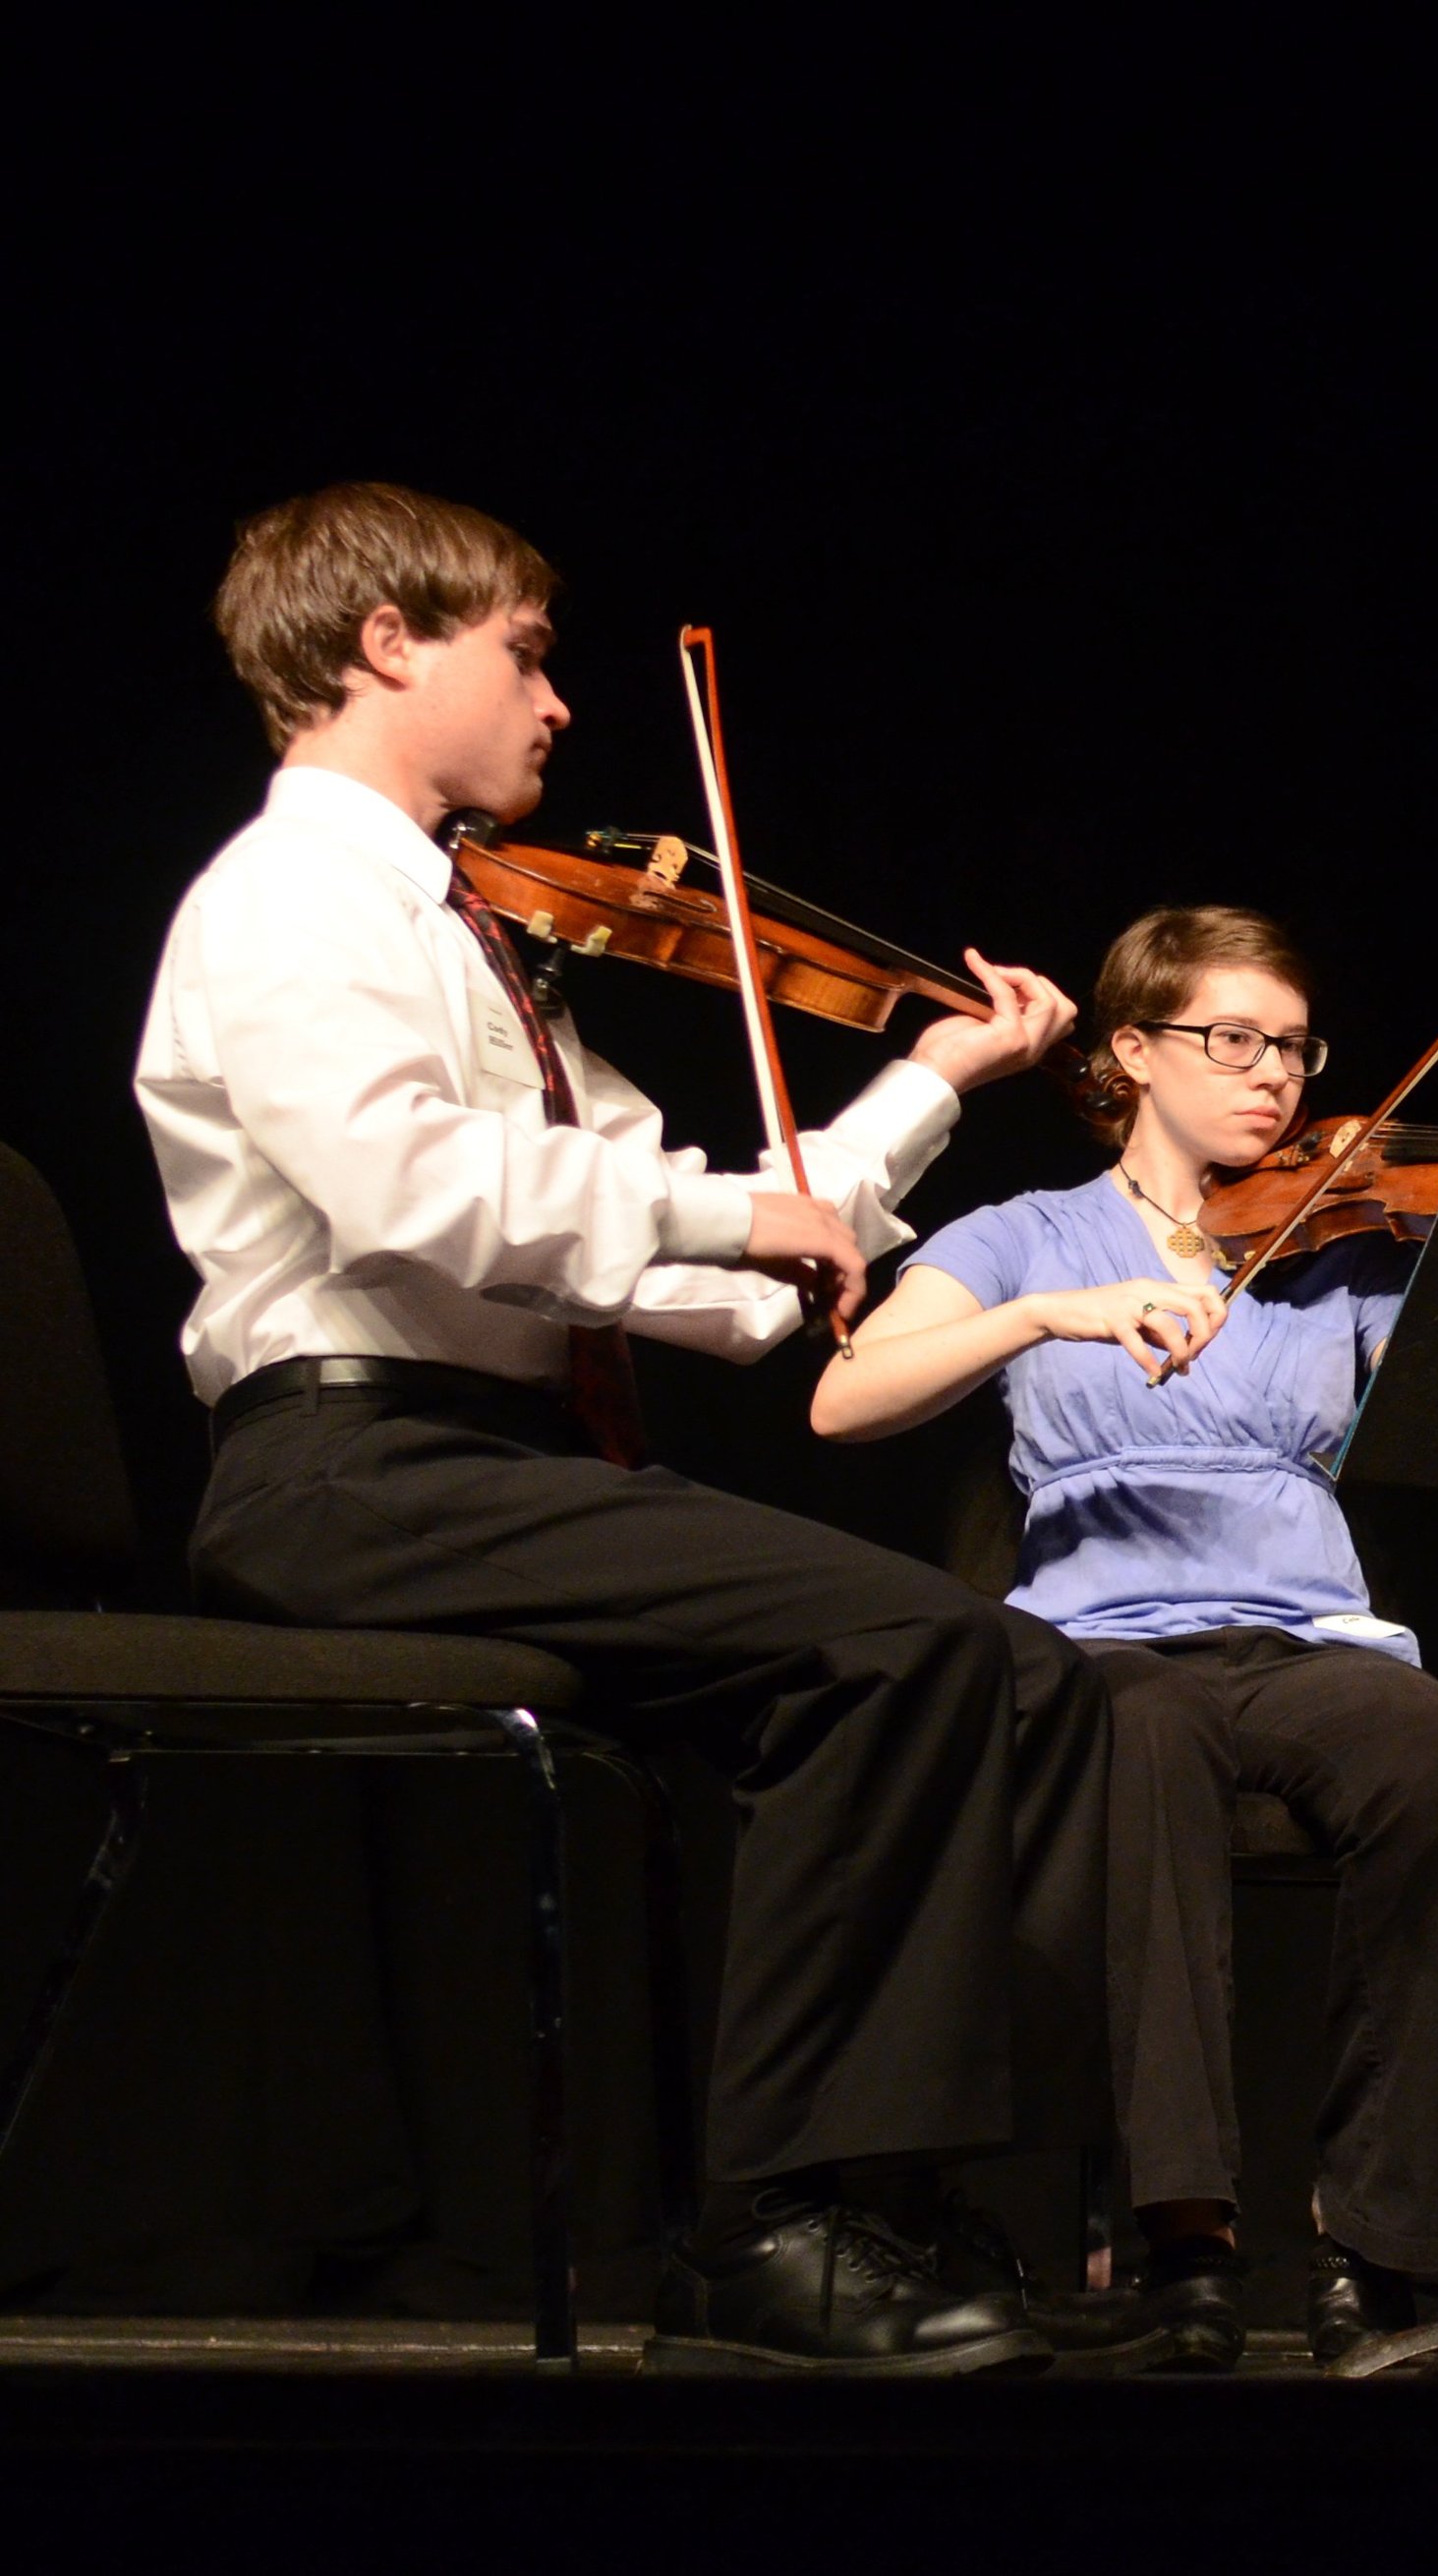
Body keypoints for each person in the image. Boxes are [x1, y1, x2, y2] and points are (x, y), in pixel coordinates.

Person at [141, 482, 1107, 2374]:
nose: (561, 701)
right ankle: (774, 2228)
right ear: (385, 644)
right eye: (527, 650)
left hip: (484, 1465)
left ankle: (897, 2206)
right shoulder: (290, 896)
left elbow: (710, 1266)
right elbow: (416, 1194)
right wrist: (731, 1217)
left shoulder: (482, 937)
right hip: (344, 1464)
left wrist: (926, 1086)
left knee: (1015, 1672)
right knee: (906, 1644)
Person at [813, 905, 1438, 2371]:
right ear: (1131, 1051)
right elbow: (846, 1398)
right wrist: (1041, 1321)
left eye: (1294, 1047)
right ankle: (1187, 2239)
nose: (1274, 1075)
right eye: (1233, 1039)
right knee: (1140, 1746)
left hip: (1309, 1640)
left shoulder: (1343, 1245)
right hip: (1104, 1644)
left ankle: (1367, 2249)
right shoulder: (1025, 1240)